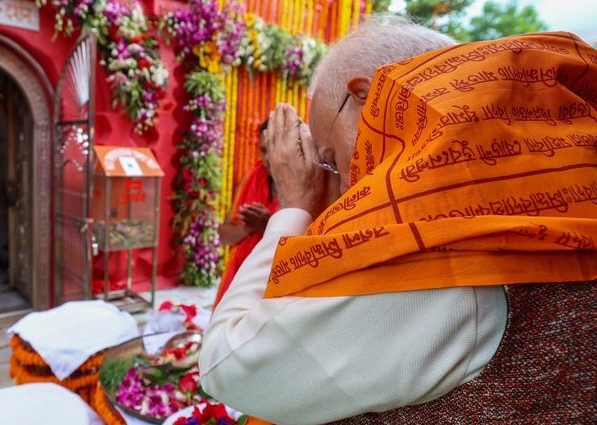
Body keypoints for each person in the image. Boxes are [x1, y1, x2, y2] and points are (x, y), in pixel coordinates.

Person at [200, 15, 597, 424]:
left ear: (365, 98)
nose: (341, 187)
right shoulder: (552, 183)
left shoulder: (436, 245)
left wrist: (295, 204)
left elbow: (227, 367)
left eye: (332, 159)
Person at [215, 120, 279, 307]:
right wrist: (250, 227)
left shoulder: (305, 185)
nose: (268, 159)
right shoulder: (251, 179)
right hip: (241, 276)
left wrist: (269, 225)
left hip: (275, 285)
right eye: (264, 150)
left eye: (274, 149)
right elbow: (224, 236)